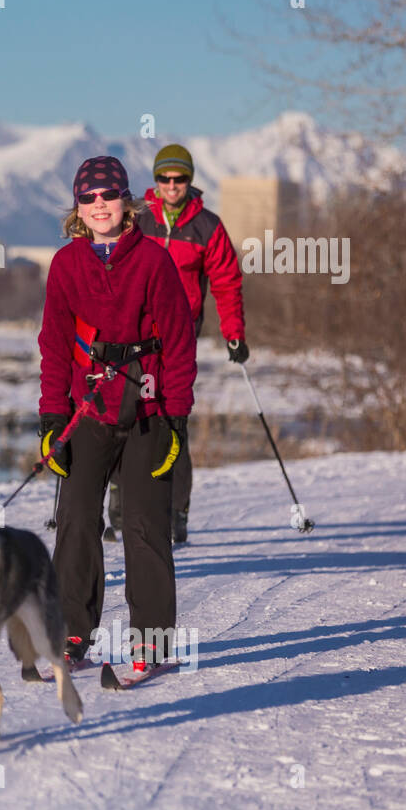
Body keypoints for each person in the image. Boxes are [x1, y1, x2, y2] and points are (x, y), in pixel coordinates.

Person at [37, 156, 196, 672]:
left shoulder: (152, 260)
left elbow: (178, 341)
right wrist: (51, 419)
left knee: (143, 524)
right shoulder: (66, 265)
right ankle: (70, 635)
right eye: (89, 198)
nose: (99, 205)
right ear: (77, 209)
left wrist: (176, 416)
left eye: (108, 195)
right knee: (76, 519)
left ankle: (150, 640)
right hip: (89, 408)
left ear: (126, 202)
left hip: (148, 409)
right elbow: (55, 346)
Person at [105, 143, 246, 544]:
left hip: (179, 338)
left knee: (172, 420)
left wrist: (233, 332)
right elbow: (110, 267)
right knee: (124, 415)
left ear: (189, 180)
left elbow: (226, 281)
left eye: (179, 178)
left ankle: (176, 513)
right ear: (155, 181)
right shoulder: (138, 219)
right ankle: (119, 505)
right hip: (132, 335)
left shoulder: (208, 227)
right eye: (164, 178)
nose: (171, 185)